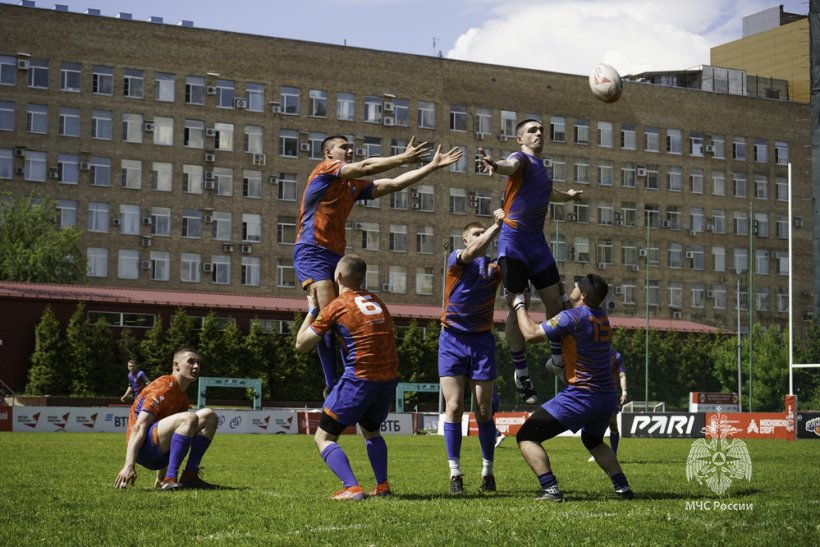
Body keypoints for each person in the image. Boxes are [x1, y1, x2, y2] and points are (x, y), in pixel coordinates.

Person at [296, 136, 463, 397]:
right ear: (328, 153)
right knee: (328, 314)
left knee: (343, 314)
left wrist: (431, 166)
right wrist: (402, 158)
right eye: (344, 147)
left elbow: (393, 183)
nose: (349, 150)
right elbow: (366, 167)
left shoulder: (351, 185)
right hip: (312, 251)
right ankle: (333, 383)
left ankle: (351, 374)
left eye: (350, 147)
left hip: (335, 255)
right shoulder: (324, 170)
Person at [478, 119, 583, 405]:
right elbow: (508, 166)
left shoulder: (541, 169)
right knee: (517, 306)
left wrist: (568, 196)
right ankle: (521, 369)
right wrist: (495, 165)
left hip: (537, 245)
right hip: (513, 245)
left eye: (541, 131)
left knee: (556, 302)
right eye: (532, 131)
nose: (539, 134)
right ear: (519, 139)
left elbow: (549, 193)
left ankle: (556, 358)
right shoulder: (520, 158)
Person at [506, 273, 634, 502]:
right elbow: (569, 308)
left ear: (583, 294)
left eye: (579, 284)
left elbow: (531, 334)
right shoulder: (600, 315)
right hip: (606, 396)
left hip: (581, 395)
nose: (575, 285)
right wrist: (558, 289)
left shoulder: (572, 318)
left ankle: (551, 489)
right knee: (593, 440)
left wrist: (519, 305)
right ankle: (623, 489)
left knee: (526, 436)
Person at [295, 254, 399, 500]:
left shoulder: (337, 306)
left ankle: (352, 487)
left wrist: (312, 309)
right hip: (388, 378)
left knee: (324, 437)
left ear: (338, 276)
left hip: (360, 378)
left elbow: (301, 344)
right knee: (371, 431)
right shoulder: (378, 301)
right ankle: (382, 486)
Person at [439, 209, 504, 495]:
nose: (480, 238)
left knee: (484, 409)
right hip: (451, 339)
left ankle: (487, 471)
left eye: (482, 233)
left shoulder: (495, 268)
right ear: (465, 241)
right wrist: (497, 225)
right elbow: (477, 248)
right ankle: (455, 473)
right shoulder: (456, 260)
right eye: (474, 235)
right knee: (453, 407)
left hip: (481, 341)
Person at [114, 347, 218, 491]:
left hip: (159, 453)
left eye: (198, 363)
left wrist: (159, 476)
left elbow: (171, 434)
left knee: (209, 416)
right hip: (143, 451)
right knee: (189, 418)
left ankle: (189, 476)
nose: (196, 366)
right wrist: (128, 465)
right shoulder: (162, 386)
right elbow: (139, 426)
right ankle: (170, 479)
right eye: (191, 362)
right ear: (176, 366)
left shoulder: (182, 397)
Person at [587, 349, 627, 462]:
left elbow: (622, 375)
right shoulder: (592, 353)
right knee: (594, 424)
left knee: (613, 424)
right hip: (594, 394)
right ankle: (596, 453)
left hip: (610, 395)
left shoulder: (616, 356)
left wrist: (624, 391)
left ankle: (613, 454)